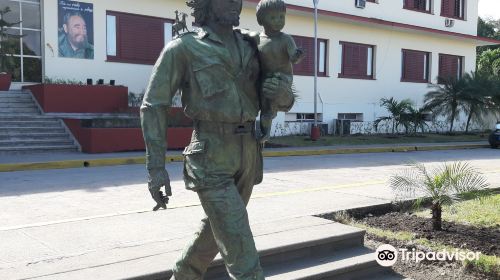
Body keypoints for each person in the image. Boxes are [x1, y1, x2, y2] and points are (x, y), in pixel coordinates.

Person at [140, 0, 294, 279]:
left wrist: (283, 94)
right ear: (207, 5)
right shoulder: (183, 48)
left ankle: (184, 275)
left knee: (218, 229)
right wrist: (155, 168)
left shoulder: (253, 45)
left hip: (248, 151)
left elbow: (281, 95)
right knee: (239, 243)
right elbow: (153, 106)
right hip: (210, 154)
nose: (236, 4)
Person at [255, 0, 304, 142]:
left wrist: (297, 56)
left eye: (281, 17)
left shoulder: (286, 39)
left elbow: (294, 58)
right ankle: (265, 130)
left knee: (271, 102)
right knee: (265, 108)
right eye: (273, 17)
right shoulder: (257, 40)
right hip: (265, 79)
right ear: (261, 20)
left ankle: (269, 117)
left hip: (283, 78)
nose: (278, 21)